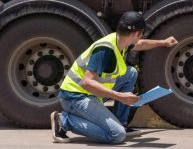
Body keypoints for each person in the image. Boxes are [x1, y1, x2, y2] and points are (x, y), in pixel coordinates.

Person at [50, 11, 178, 144]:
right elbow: (86, 82)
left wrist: (163, 42)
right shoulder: (105, 50)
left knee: (130, 73)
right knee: (116, 135)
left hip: (91, 93)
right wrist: (119, 96)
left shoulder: (120, 41)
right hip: (75, 97)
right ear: (136, 33)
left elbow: (141, 44)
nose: (141, 36)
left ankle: (120, 122)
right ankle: (64, 120)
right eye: (141, 33)